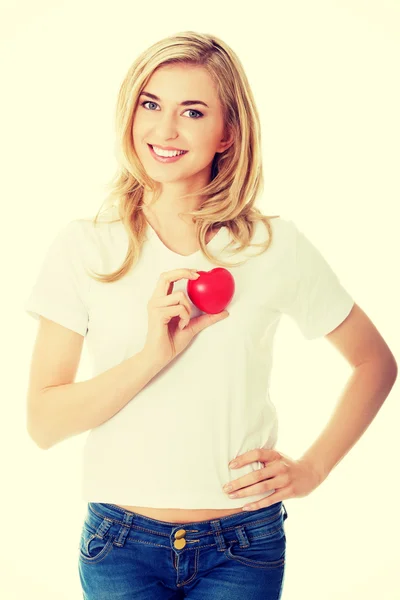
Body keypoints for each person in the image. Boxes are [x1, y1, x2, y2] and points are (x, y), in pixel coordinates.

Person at [24, 31, 397, 600]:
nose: (164, 130)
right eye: (151, 104)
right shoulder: (85, 246)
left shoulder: (274, 246)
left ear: (227, 132)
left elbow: (374, 363)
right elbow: (44, 423)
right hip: (119, 547)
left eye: (192, 112)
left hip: (242, 546)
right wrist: (154, 354)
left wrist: (313, 469)